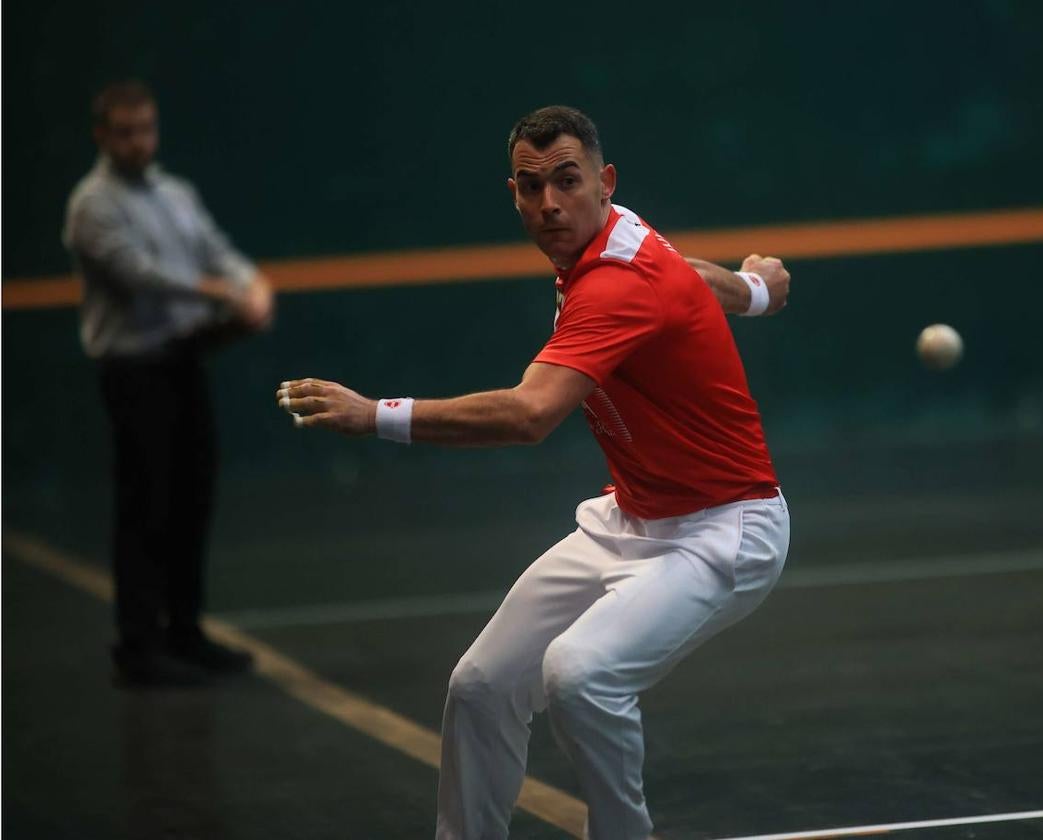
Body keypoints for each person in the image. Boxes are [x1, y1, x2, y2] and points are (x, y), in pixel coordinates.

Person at [276, 105, 790, 838]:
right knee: (481, 687)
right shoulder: (618, 234)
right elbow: (692, 276)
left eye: (566, 182)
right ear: (513, 191)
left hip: (724, 530)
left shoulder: (614, 283)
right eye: (529, 186)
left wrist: (373, 415)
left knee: (582, 676)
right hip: (631, 516)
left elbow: (529, 415)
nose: (548, 203)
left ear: (603, 183)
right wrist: (759, 292)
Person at [63, 80, 274, 688]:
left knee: (191, 500)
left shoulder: (175, 193)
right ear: (102, 136)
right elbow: (141, 276)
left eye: (145, 129)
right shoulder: (91, 204)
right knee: (145, 506)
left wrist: (251, 284)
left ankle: (185, 630)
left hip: (185, 360)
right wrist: (225, 291)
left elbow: (216, 251)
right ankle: (137, 644)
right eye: (124, 132)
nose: (138, 142)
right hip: (134, 372)